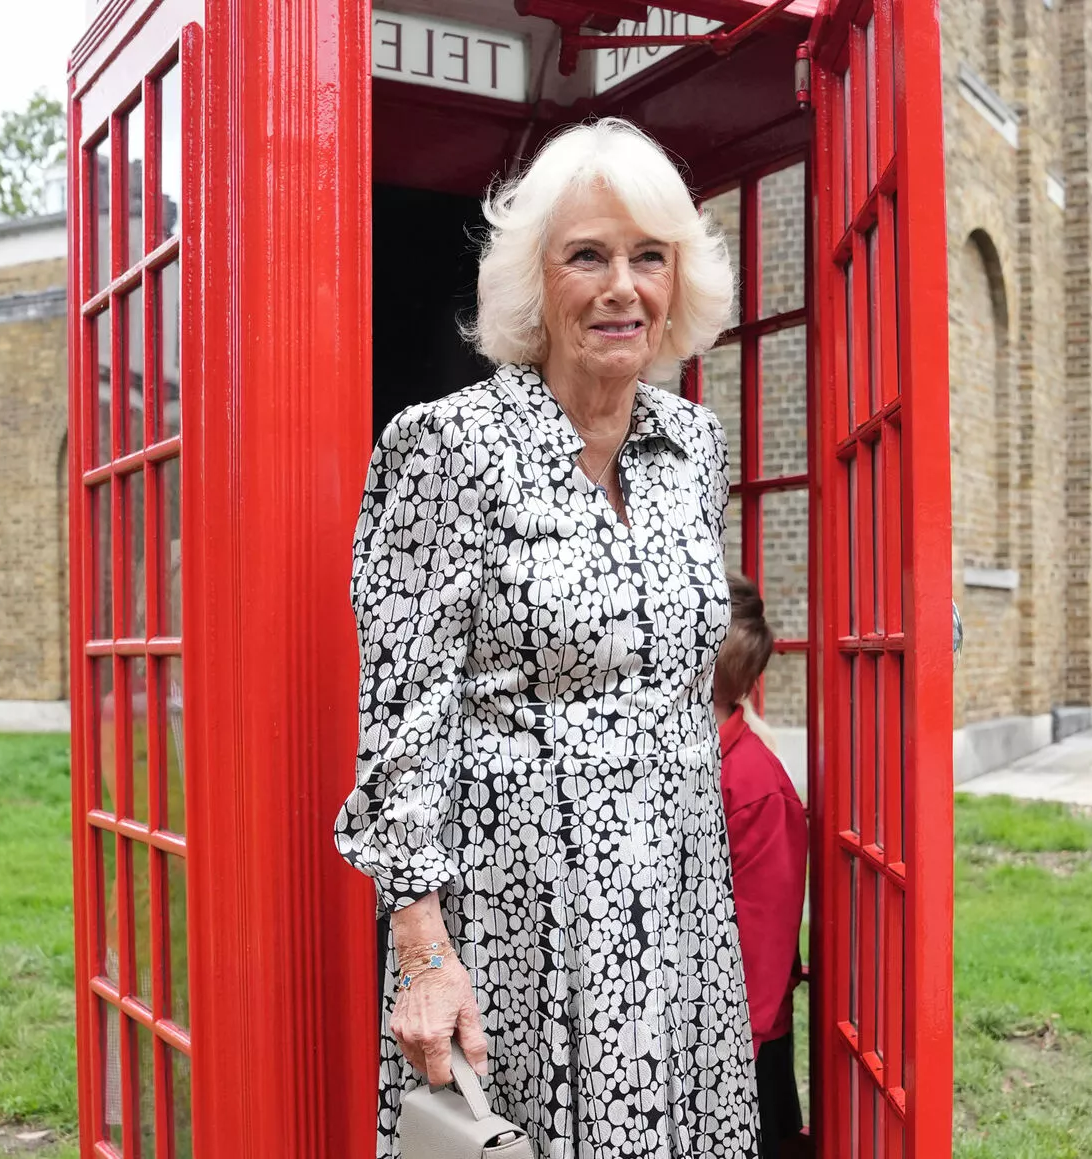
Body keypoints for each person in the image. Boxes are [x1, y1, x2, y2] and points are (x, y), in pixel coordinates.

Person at [333, 118, 757, 1158]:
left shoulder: (693, 445)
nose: (622, 288)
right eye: (587, 256)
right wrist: (424, 953)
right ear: (536, 280)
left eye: (648, 256)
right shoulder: (449, 447)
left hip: (679, 897)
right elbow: (403, 713)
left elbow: (678, 664)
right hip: (523, 910)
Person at [713, 573, 809, 1159]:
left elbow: (764, 938)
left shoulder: (754, 784)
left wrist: (728, 1060)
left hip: (741, 1048)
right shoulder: (689, 758)